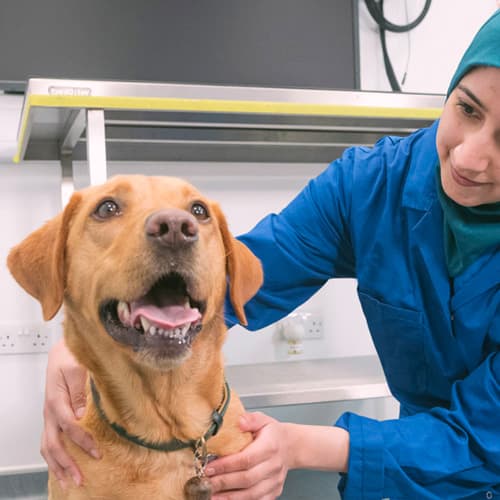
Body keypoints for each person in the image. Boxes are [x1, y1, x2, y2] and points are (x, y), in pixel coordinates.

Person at [41, 10, 500, 500]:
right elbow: (241, 277)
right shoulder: (371, 186)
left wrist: (300, 445)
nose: (469, 157)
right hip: (416, 473)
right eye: (467, 110)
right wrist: (96, 335)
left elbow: (481, 436)